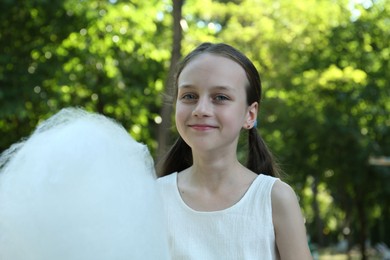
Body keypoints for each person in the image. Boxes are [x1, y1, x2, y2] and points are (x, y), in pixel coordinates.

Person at [157, 42, 312, 259]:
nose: (201, 110)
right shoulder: (152, 198)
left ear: (250, 115)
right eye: (189, 96)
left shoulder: (275, 199)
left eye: (220, 97)